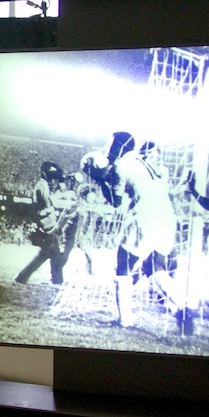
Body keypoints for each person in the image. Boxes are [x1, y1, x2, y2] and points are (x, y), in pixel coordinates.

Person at [83, 132, 177, 327]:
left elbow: (116, 202)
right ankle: (183, 305)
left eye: (110, 145)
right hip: (166, 218)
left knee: (123, 265)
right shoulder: (146, 163)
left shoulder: (121, 165)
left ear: (119, 146)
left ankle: (124, 319)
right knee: (154, 268)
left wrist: (100, 180)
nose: (107, 149)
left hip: (144, 218)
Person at [15, 161, 76, 285]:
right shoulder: (42, 185)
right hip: (47, 224)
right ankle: (56, 280)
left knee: (47, 254)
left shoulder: (43, 185)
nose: (53, 180)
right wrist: (63, 193)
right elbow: (48, 203)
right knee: (53, 255)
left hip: (48, 223)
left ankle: (24, 277)